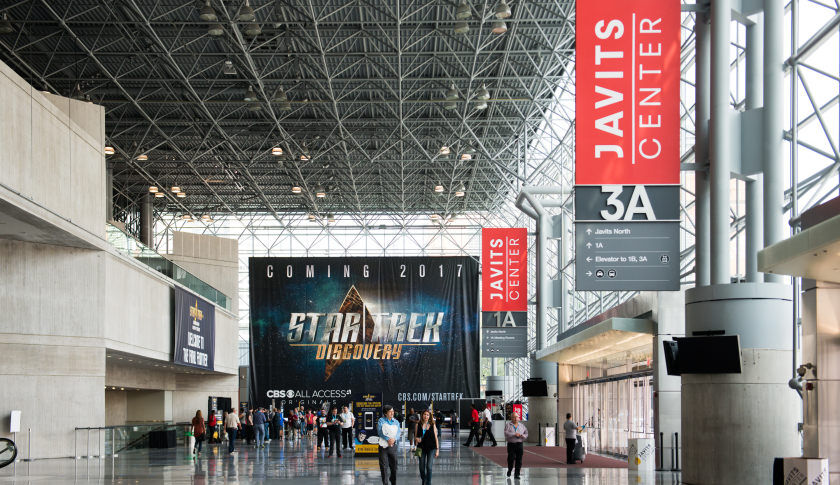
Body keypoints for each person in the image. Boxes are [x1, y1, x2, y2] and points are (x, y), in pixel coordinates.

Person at [414, 409, 439, 485]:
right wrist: (416, 439)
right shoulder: (418, 424)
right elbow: (415, 437)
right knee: (421, 468)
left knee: (429, 467)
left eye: (427, 415)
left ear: (429, 416)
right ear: (422, 415)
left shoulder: (432, 425)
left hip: (431, 448)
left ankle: (428, 483)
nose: (426, 416)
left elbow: (436, 437)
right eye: (424, 414)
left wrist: (437, 449)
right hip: (420, 448)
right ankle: (424, 480)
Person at [377, 404, 400, 485]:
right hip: (383, 447)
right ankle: (385, 483)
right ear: (385, 413)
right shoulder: (381, 420)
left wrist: (393, 440)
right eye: (390, 411)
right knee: (383, 466)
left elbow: (398, 433)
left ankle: (393, 481)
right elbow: (380, 432)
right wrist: (388, 439)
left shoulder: (396, 422)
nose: (392, 413)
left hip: (393, 447)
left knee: (394, 467)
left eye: (392, 411)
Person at [504, 412, 528, 478]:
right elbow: (506, 433)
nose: (515, 418)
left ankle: (517, 474)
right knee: (511, 458)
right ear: (511, 418)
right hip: (511, 444)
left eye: (516, 417)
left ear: (519, 418)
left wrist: (522, 436)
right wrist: (514, 434)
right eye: (514, 417)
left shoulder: (522, 425)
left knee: (519, 459)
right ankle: (510, 469)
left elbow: (526, 433)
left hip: (519, 444)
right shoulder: (508, 425)